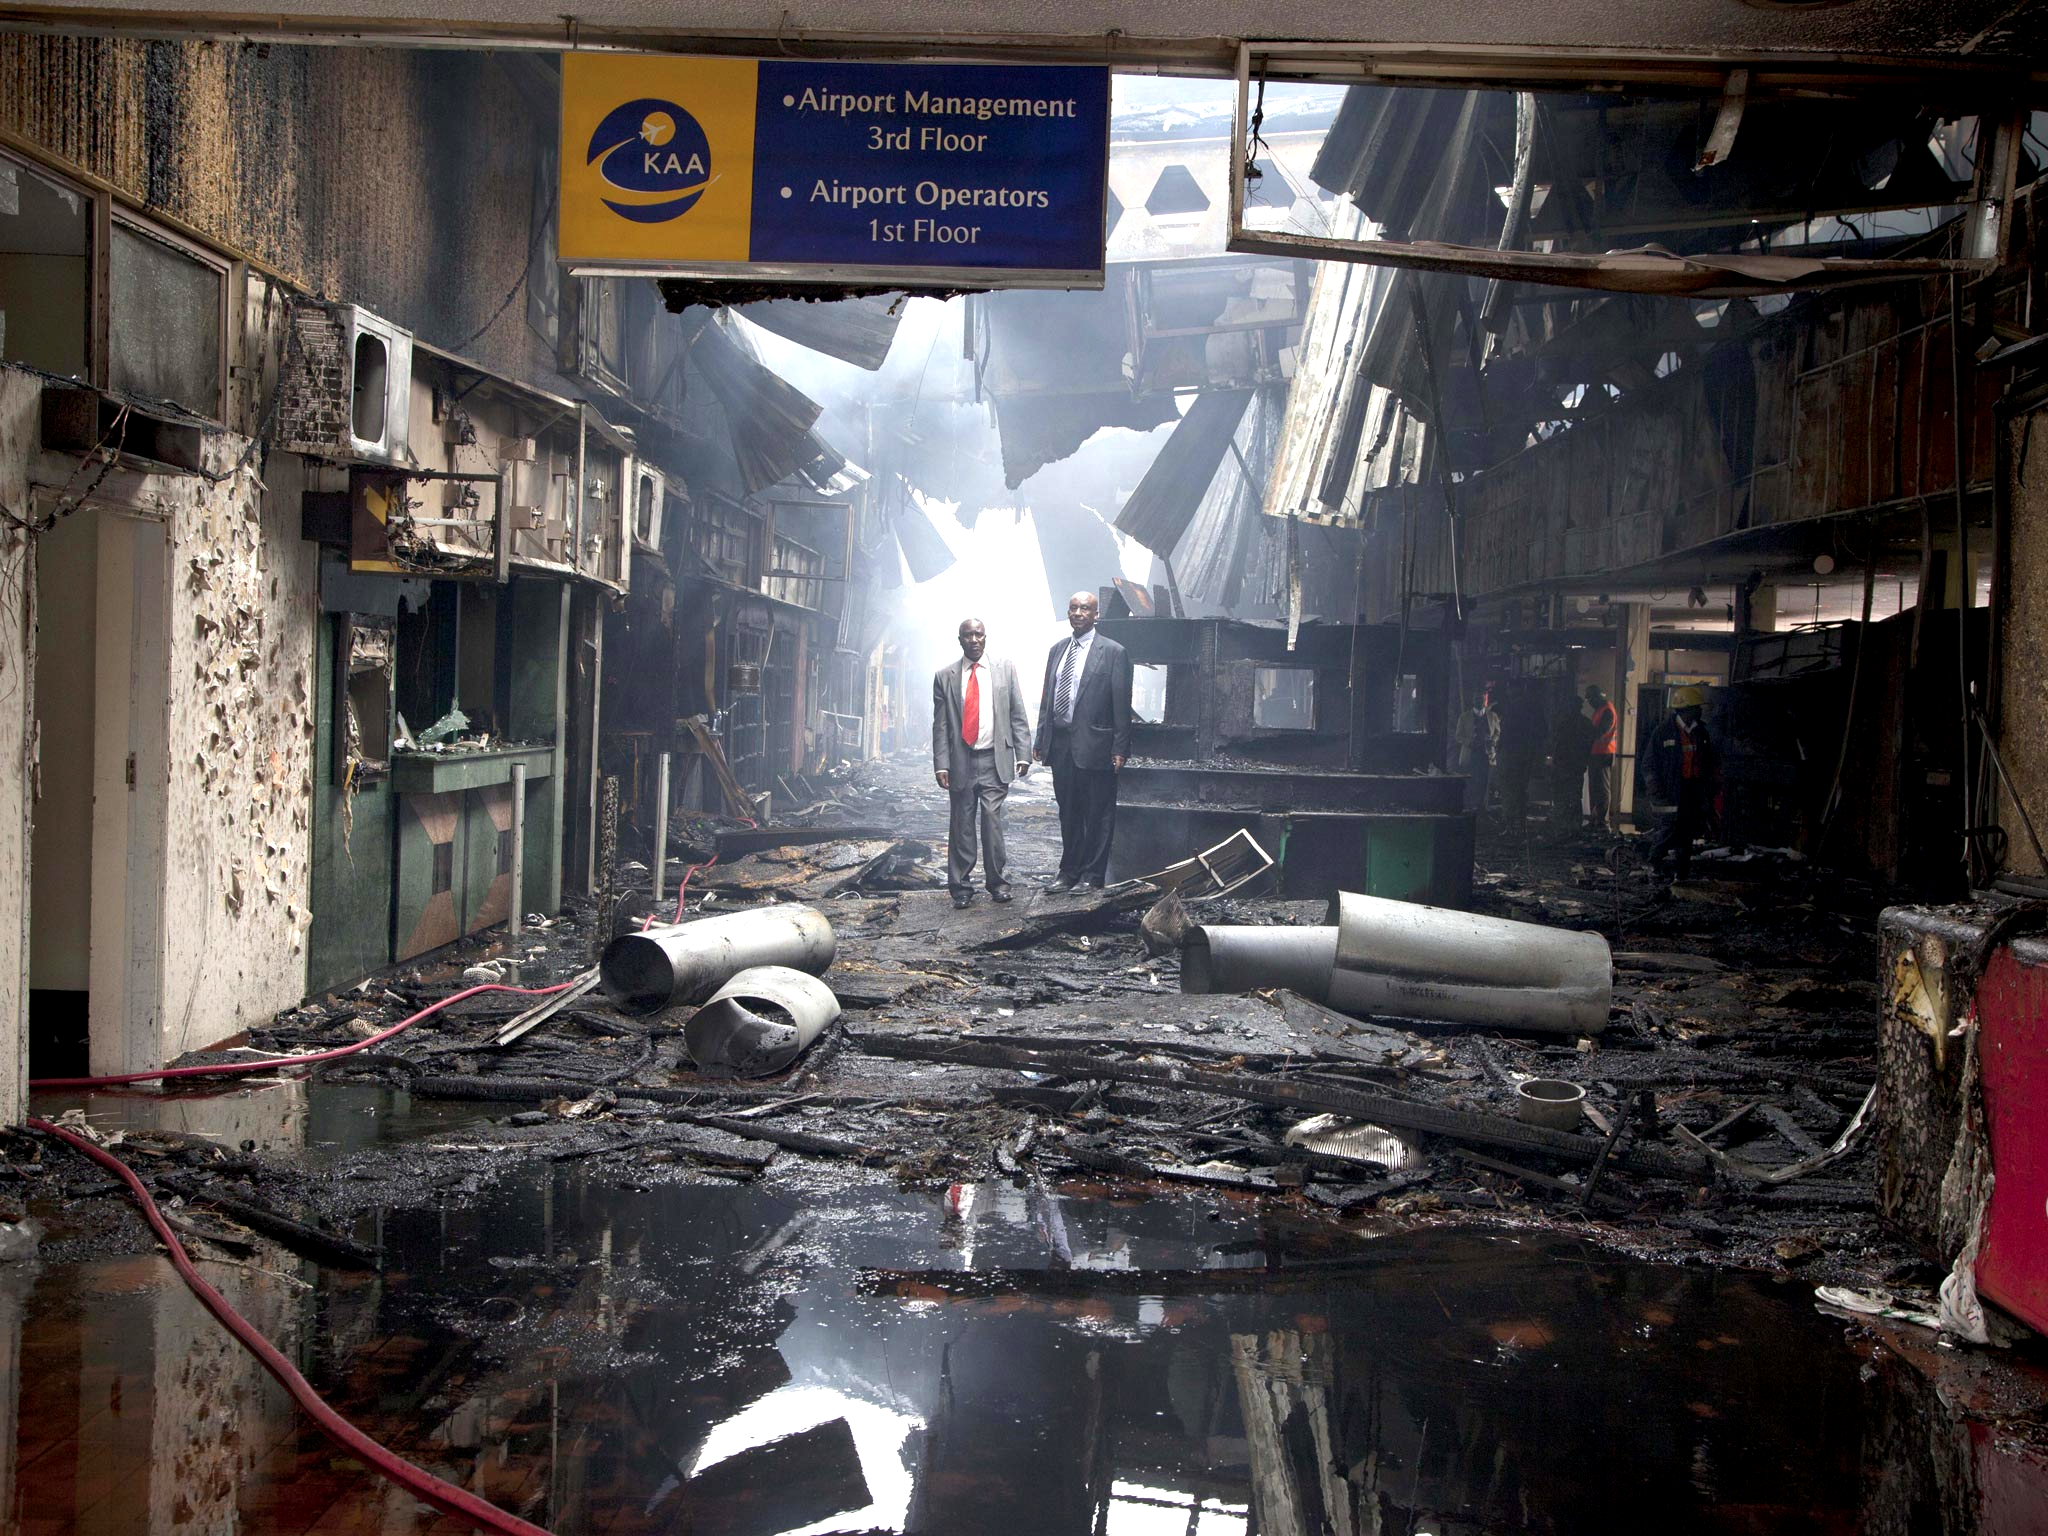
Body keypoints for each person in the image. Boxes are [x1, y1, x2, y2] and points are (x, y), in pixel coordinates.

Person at [1034, 590, 1133, 891]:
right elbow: (1047, 700)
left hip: (1098, 747)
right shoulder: (1057, 650)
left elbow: (1121, 705)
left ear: (1096, 615)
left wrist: (1120, 748)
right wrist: (1041, 738)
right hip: (1061, 745)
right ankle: (1069, 872)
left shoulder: (1114, 652)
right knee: (1069, 811)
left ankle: (1092, 877)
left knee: (1099, 814)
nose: (1078, 613)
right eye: (1073, 607)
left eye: (1085, 608)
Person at [933, 618, 1032, 909]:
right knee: (961, 824)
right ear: (960, 639)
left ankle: (998, 884)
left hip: (994, 759)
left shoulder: (1004, 669)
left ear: (986, 638)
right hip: (960, 759)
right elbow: (940, 726)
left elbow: (1017, 713)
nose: (974, 639)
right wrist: (941, 764)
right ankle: (961, 888)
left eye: (979, 634)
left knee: (992, 821)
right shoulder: (945, 676)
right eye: (968, 635)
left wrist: (1022, 753)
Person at [1648, 685, 1718, 879]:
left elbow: (1707, 761)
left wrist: (1708, 787)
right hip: (1669, 790)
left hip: (1691, 789)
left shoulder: (1701, 732)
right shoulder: (1663, 732)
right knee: (1669, 828)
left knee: (1687, 831)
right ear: (1685, 709)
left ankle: (1682, 871)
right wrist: (1656, 789)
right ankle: (1654, 864)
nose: (1700, 710)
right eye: (1697, 707)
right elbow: (1649, 764)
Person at [1495, 681, 1547, 833]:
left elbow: (1506, 734)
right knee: (1521, 789)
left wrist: (1501, 748)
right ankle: (1520, 823)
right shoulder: (1534, 709)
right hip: (1526, 755)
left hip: (1511, 755)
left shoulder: (1511, 709)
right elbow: (1543, 731)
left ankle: (1510, 823)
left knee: (1509, 789)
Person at [1451, 686, 1501, 816]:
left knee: (1485, 780)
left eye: (1481, 698)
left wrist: (1493, 740)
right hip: (1471, 753)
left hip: (1487, 754)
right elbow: (1458, 736)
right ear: (1473, 700)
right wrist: (1469, 742)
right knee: (1472, 780)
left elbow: (1497, 732)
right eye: (1476, 698)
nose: (1479, 700)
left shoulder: (1492, 716)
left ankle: (1482, 806)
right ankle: (1471, 805)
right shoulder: (1464, 717)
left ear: (1484, 699)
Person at [1549, 695, 1596, 832]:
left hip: (1567, 765)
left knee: (1564, 795)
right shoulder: (1585, 723)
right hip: (1575, 765)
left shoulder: (1564, 723)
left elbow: (1557, 744)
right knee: (1574, 795)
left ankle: (1565, 824)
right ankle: (1573, 825)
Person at [1585, 683, 1619, 831]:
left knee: (1603, 789)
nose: (1590, 703)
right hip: (1595, 755)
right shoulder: (1600, 709)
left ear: (1597, 697)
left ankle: (1602, 822)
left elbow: (1599, 732)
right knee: (1594, 789)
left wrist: (1585, 730)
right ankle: (1595, 820)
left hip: (1604, 754)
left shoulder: (1607, 711)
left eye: (1591, 699)